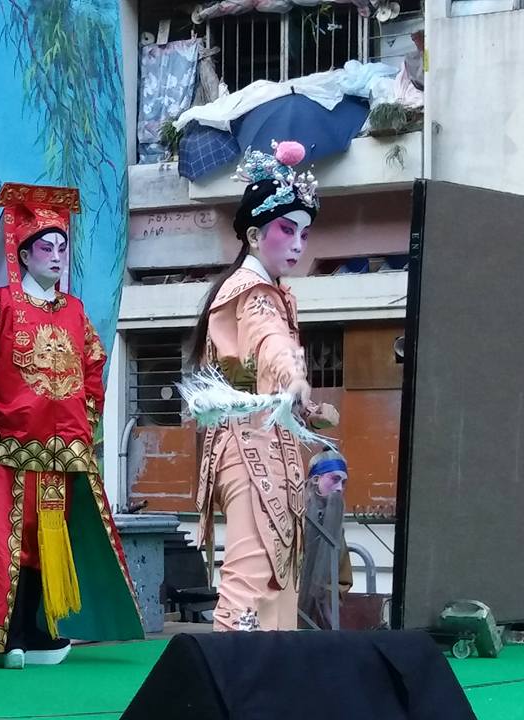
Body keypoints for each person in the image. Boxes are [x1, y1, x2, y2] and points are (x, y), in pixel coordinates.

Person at [0, 183, 143, 669]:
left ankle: (39, 630)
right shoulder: (1, 306)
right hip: (10, 443)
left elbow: (92, 366)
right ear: (24, 255)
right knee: (7, 537)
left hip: (61, 451)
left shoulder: (74, 312)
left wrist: (84, 421)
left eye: (61, 247)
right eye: (45, 247)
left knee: (49, 539)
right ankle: (5, 636)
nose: (55, 256)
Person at [190, 141, 339, 632]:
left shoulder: (268, 292)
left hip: (268, 441)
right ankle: (234, 674)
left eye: (304, 233)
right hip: (248, 443)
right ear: (254, 235)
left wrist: (303, 405)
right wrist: (293, 378)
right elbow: (269, 342)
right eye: (286, 229)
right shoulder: (252, 292)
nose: (297, 244)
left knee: (278, 574)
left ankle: (270, 672)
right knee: (252, 575)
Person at [299, 447, 354, 630]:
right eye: (334, 479)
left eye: (343, 483)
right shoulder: (293, 517)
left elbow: (342, 581)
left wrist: (324, 593)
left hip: (318, 618)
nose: (339, 488)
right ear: (316, 479)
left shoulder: (337, 528)